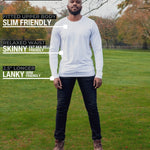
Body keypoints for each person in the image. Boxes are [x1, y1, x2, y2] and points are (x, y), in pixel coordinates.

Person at [49, 0, 103, 150]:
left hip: (87, 72)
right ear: (68, 5)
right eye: (72, 1)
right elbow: (53, 51)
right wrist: (55, 75)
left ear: (81, 5)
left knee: (92, 108)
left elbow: (98, 50)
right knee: (61, 108)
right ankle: (59, 142)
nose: (75, 4)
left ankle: (97, 142)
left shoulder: (90, 24)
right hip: (65, 72)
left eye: (77, 2)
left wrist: (99, 74)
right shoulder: (59, 25)